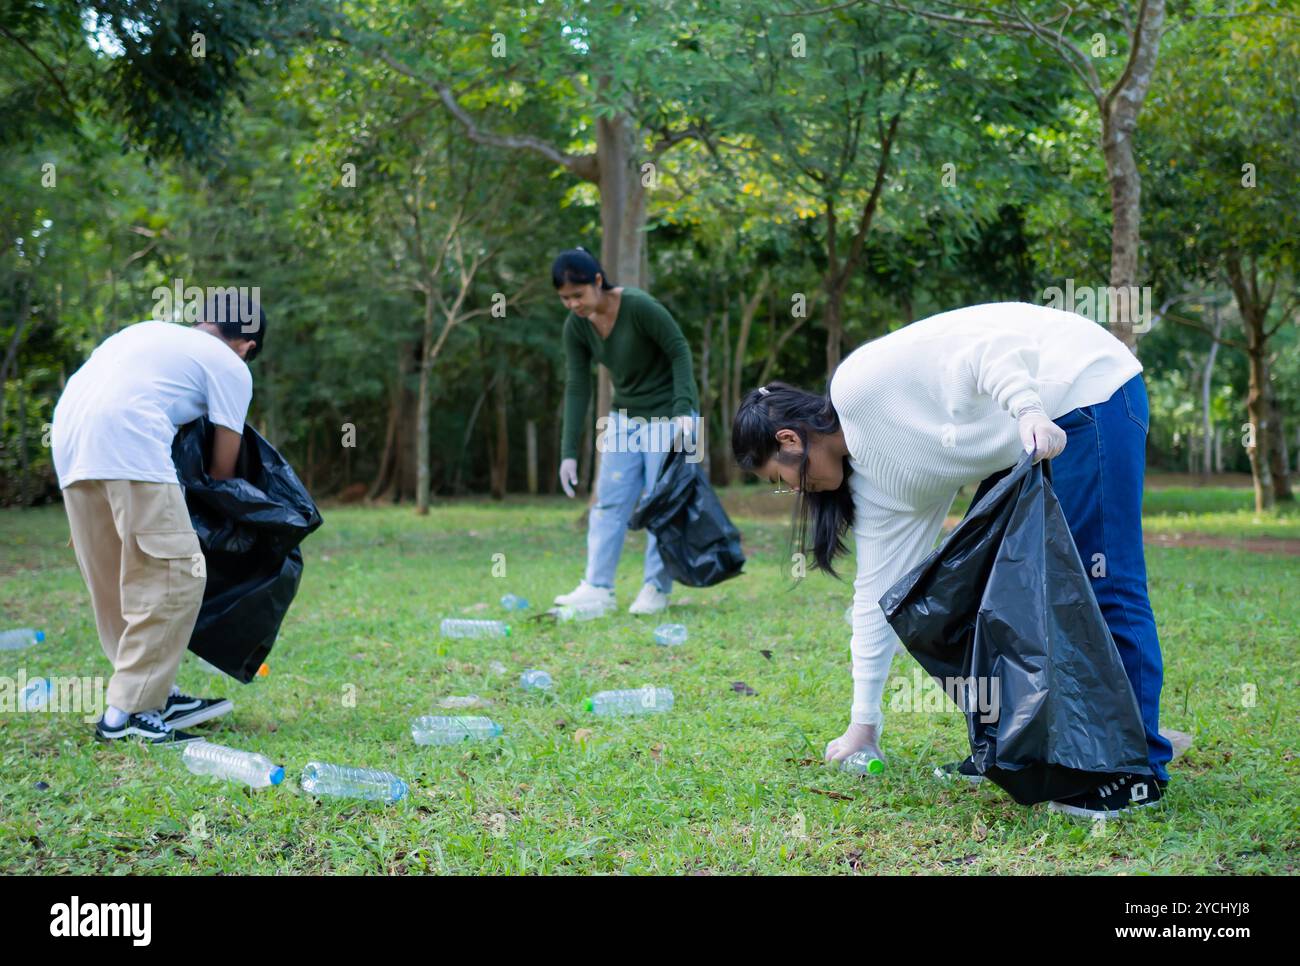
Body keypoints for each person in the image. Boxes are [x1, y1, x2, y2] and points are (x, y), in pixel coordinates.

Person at [731, 301, 1174, 819]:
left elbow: (982, 351)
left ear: (789, 441)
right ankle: (1014, 745)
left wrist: (1029, 409)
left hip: (1083, 390)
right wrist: (863, 727)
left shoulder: (859, 386)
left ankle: (1136, 772)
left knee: (1103, 583)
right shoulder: (877, 489)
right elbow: (876, 599)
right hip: (1025, 438)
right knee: (984, 594)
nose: (790, 489)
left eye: (778, 478)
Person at [51, 291, 266, 744]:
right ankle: (127, 713)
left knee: (116, 579)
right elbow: (222, 470)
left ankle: (151, 692)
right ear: (247, 344)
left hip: (70, 444)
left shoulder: (146, 333)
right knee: (176, 573)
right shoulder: (231, 365)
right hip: (129, 443)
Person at [552, 248, 701, 615]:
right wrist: (568, 452)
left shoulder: (638, 306)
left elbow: (679, 351)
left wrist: (685, 412)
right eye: (565, 298)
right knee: (609, 501)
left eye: (578, 295)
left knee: (660, 502)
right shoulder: (577, 327)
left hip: (669, 414)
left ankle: (656, 587)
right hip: (623, 417)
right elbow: (577, 386)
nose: (573, 304)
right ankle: (597, 587)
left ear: (598, 282)